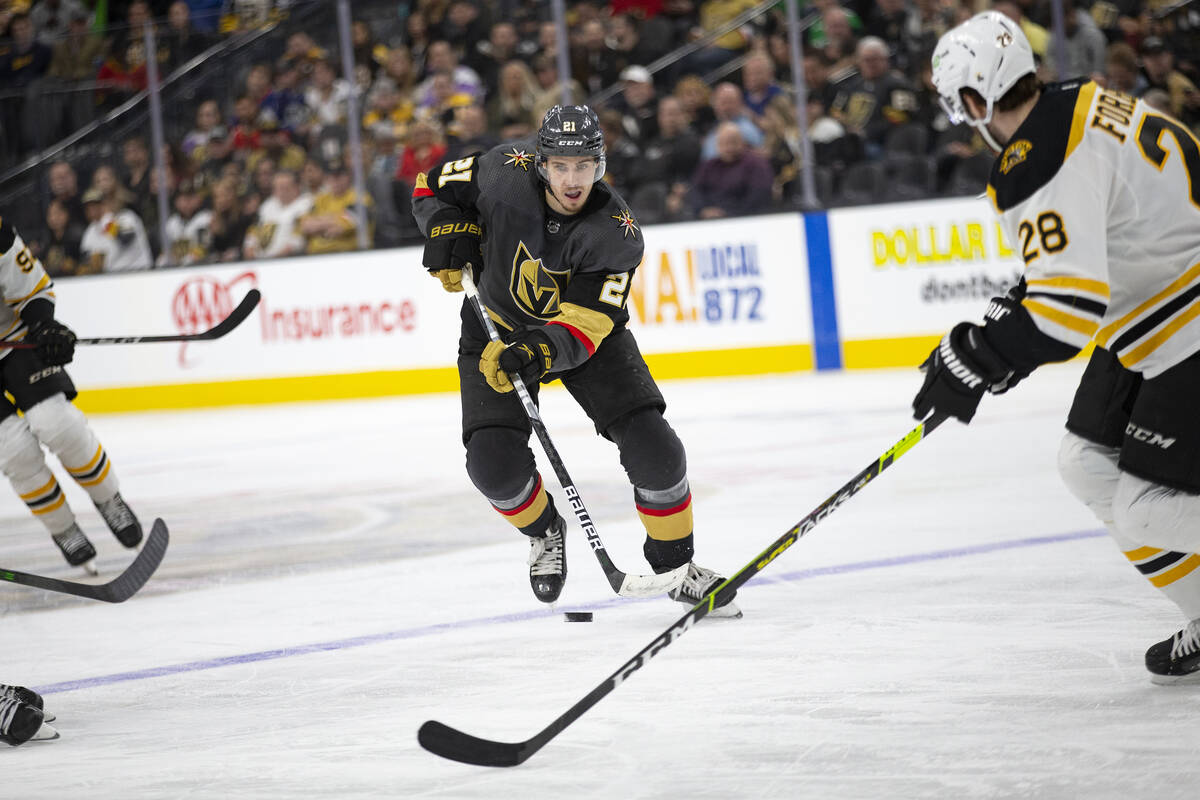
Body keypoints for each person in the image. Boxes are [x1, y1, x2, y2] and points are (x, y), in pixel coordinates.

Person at [911, 11, 1200, 684]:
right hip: (1154, 317)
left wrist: (978, 356)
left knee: (1144, 507)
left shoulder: (1036, 158)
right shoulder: (1074, 103)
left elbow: (1067, 318)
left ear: (977, 99)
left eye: (962, 106)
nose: (966, 119)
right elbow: (1077, 255)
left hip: (1184, 320)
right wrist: (1005, 332)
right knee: (1085, 463)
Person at [411, 105, 739, 615]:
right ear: (540, 164)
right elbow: (428, 186)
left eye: (583, 165)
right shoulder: (501, 170)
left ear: (600, 165)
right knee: (493, 468)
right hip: (494, 326)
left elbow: (587, 324)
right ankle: (545, 532)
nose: (571, 179)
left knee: (657, 452)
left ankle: (677, 567)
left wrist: (538, 350)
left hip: (586, 336)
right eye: (560, 165)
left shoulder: (616, 234)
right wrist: (447, 226)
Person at [0, 217, 144, 573]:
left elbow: (31, 287)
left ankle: (108, 499)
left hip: (13, 336)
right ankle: (63, 528)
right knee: (13, 450)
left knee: (57, 423)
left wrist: (45, 325)